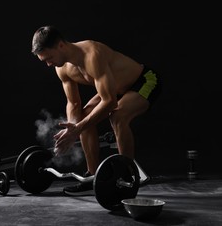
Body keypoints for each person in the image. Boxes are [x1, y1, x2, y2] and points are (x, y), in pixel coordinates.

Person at [31, 25, 161, 196]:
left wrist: (79, 128)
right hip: (116, 90)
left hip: (144, 81)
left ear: (61, 45)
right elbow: (74, 103)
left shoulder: (92, 55)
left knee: (118, 116)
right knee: (84, 117)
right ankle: (92, 176)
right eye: (44, 61)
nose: (48, 64)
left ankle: (126, 176)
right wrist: (72, 128)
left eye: (49, 58)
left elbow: (109, 102)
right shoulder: (61, 68)